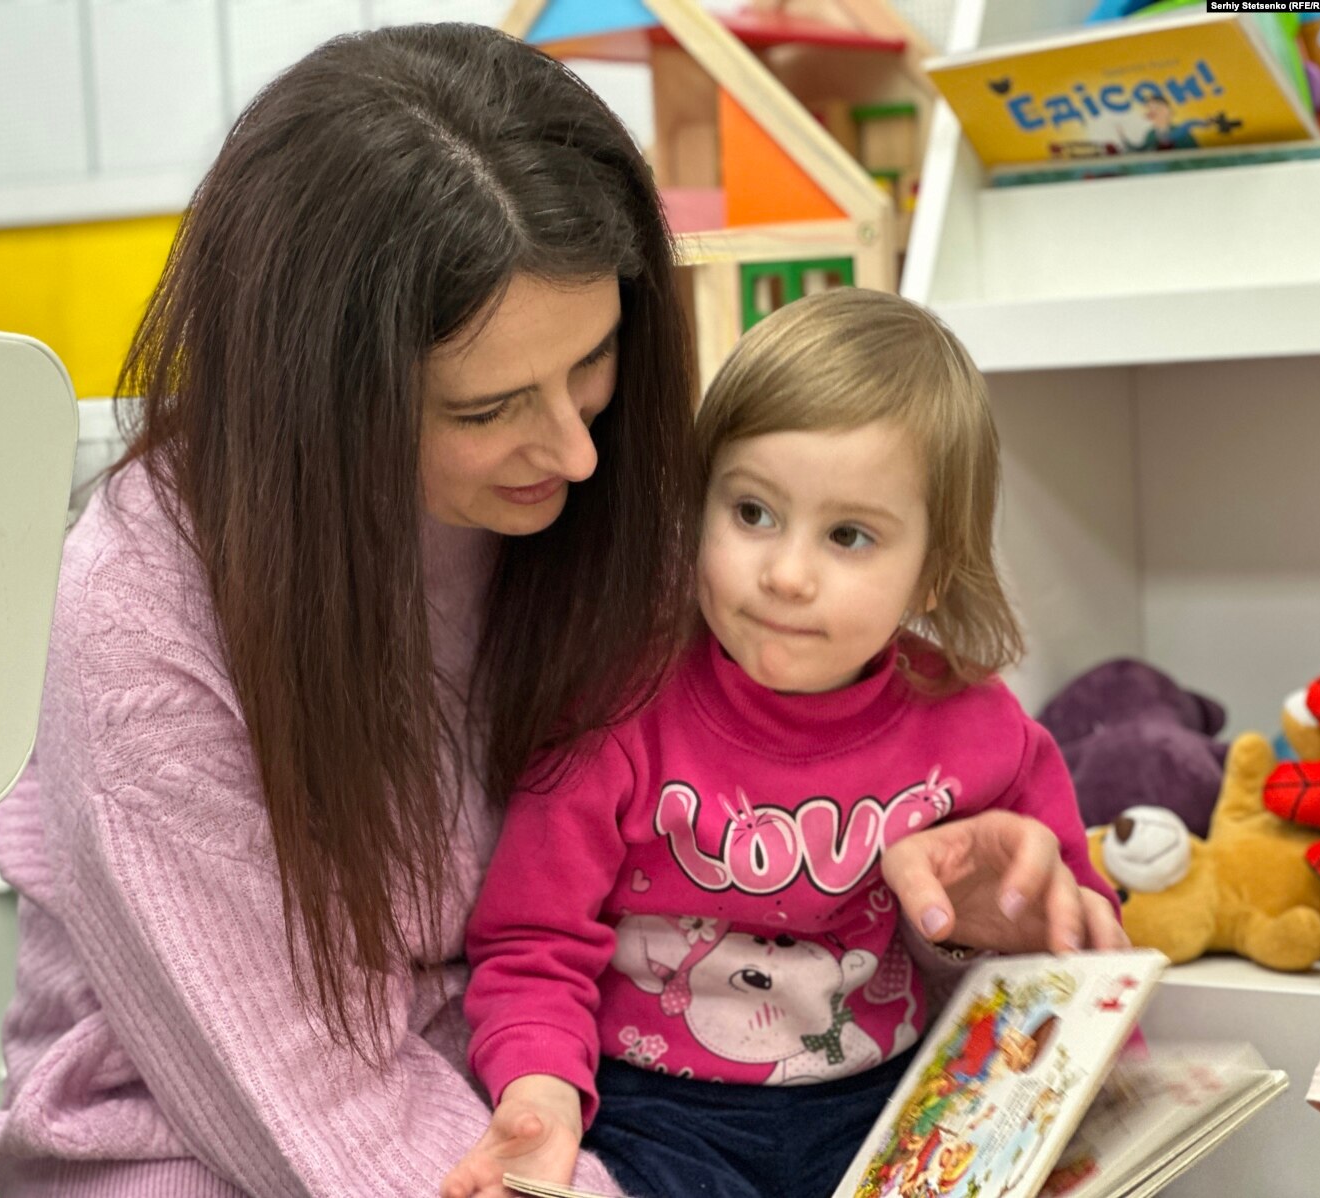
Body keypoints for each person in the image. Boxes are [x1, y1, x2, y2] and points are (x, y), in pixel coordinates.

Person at [0, 24, 1126, 1198]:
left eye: (594, 362)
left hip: (549, 1102)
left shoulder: (585, 512)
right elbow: (304, 1102)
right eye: (487, 408)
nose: (573, 449)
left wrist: (965, 923)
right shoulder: (137, 624)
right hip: (225, 1144)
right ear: (319, 398)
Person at [443, 290, 1126, 1198]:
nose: (786, 575)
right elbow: (532, 942)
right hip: (659, 1118)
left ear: (931, 570)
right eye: (752, 513)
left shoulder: (981, 731)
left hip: (888, 1110)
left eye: (848, 535)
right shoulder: (617, 705)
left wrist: (1090, 1109)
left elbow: (1077, 937)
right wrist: (540, 1094)